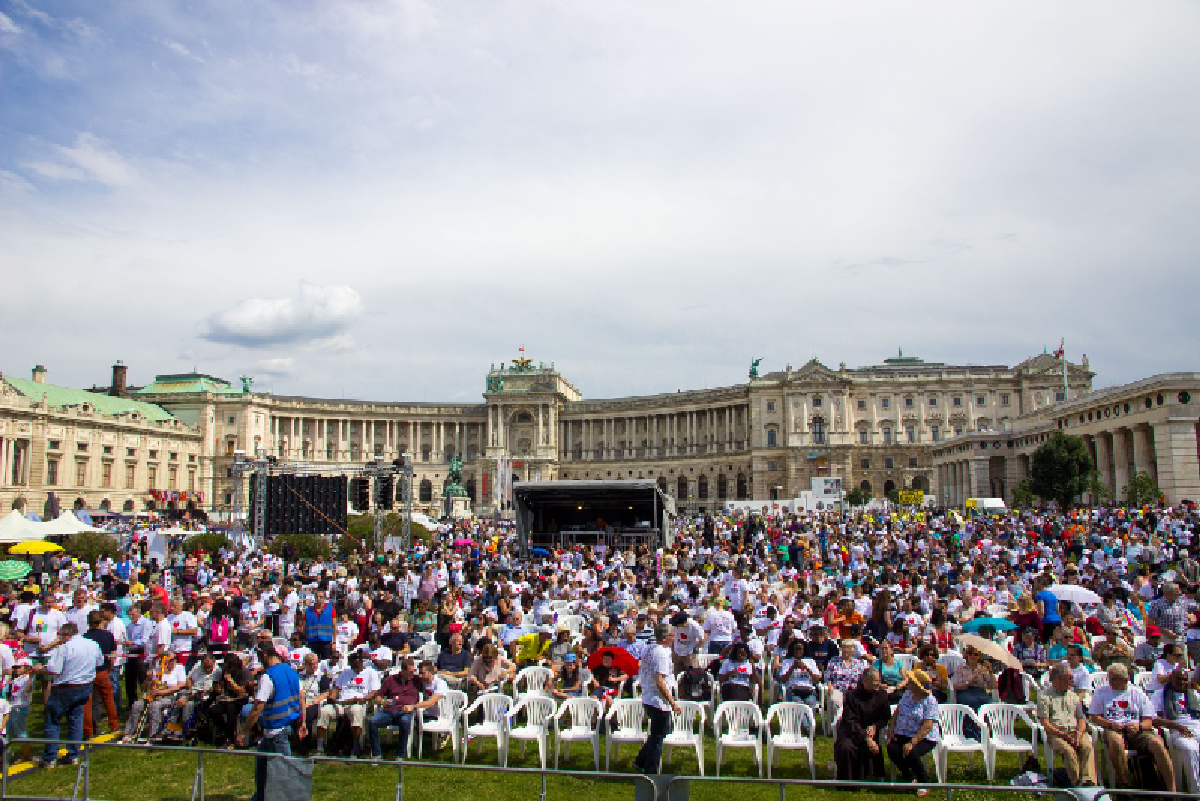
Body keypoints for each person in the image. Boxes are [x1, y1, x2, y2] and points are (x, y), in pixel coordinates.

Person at [1088, 662, 1175, 791]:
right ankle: (1124, 782)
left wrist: (1139, 726)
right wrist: (1110, 724)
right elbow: (1094, 716)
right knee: (1115, 740)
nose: (1110, 681)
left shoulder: (1137, 693)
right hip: (1114, 728)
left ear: (1125, 679)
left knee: (1157, 743)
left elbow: (1149, 720)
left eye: (1114, 679)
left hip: (1137, 729)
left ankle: (1171, 788)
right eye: (1109, 678)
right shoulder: (1101, 692)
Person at [35, 622, 104, 767]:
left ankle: (50, 757)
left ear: (66, 635)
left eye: (61, 636)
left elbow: (53, 669)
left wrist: (39, 669)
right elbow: (99, 662)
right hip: (85, 686)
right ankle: (73, 755)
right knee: (76, 720)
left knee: (53, 719)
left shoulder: (65, 648)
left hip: (66, 687)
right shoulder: (92, 644)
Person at [242, 643, 303, 801]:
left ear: (264, 656)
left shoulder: (268, 676)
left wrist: (243, 732)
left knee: (284, 774)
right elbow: (301, 696)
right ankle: (260, 796)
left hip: (277, 731)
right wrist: (302, 721)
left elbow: (257, 708)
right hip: (279, 729)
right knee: (262, 766)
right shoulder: (291, 671)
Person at [1036, 662, 1098, 787]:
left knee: (1087, 747)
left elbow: (1081, 718)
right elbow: (1045, 723)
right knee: (1068, 751)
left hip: (1075, 731)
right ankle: (1077, 783)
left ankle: (1089, 781)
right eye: (1069, 678)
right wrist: (1063, 735)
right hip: (1056, 733)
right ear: (1059, 679)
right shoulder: (1044, 696)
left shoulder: (1073, 696)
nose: (1072, 681)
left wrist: (1079, 733)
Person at [631, 623, 679, 775]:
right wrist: (672, 702)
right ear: (664, 638)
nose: (674, 638)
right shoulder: (661, 654)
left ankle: (640, 761)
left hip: (648, 697)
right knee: (658, 738)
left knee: (656, 734)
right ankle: (651, 772)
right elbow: (659, 681)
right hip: (658, 700)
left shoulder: (649, 648)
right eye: (672, 635)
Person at [885, 667, 940, 797]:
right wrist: (891, 730)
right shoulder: (908, 694)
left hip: (924, 737)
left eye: (911, 682)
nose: (908, 683)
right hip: (903, 732)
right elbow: (897, 712)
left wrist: (912, 742)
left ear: (917, 685)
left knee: (911, 752)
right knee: (892, 748)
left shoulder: (930, 701)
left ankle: (923, 782)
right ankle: (909, 778)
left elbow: (928, 725)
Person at [835, 667, 891, 781]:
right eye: (875, 681)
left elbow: (885, 717)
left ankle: (866, 776)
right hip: (851, 731)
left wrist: (875, 726)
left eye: (879, 680)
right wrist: (865, 737)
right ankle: (847, 782)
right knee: (846, 747)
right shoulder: (852, 696)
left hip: (871, 730)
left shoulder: (882, 695)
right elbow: (850, 721)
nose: (878, 684)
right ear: (865, 681)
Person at [122, 650, 188, 743]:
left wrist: (162, 692)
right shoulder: (157, 670)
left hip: (171, 697)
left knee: (154, 706)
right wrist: (148, 679)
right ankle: (129, 733)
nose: (173, 661)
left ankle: (153, 735)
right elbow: (143, 688)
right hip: (154, 696)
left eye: (174, 659)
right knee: (137, 704)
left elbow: (181, 685)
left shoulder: (179, 668)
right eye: (170, 660)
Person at [1153, 666, 1200, 793]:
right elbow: (1155, 719)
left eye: (1184, 679)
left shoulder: (1193, 694)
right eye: (1178, 679)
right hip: (1175, 729)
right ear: (1171, 679)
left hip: (1197, 726)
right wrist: (1178, 727)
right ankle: (1196, 792)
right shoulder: (1160, 695)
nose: (1182, 682)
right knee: (1191, 749)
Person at [367, 657, 423, 760]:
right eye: (410, 672)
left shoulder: (417, 680)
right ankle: (376, 754)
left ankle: (400, 755)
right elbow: (377, 697)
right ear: (403, 670)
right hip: (389, 711)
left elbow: (430, 685)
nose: (412, 674)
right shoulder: (390, 680)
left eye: (413, 671)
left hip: (405, 711)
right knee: (372, 722)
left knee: (405, 722)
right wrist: (384, 701)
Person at [304, 591, 335, 661]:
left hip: (326, 641)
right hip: (312, 641)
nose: (318, 599)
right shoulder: (308, 611)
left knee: (325, 662)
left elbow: (334, 626)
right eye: (317, 597)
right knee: (313, 661)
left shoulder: (330, 609)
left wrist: (334, 642)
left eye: (321, 597)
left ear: (324, 598)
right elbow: (304, 626)